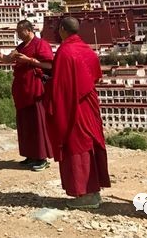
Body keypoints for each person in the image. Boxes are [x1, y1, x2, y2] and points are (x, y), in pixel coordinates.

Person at [45, 17, 110, 209]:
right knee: (89, 144)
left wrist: (48, 88)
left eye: (58, 29)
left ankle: (86, 194)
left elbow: (61, 86)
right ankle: (94, 190)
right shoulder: (86, 49)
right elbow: (95, 76)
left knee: (76, 146)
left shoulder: (65, 51)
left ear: (63, 30)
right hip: (88, 104)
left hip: (73, 107)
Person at [0, 20, 54, 171]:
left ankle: (41, 157)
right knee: (25, 124)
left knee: (37, 123)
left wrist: (29, 60)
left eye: (20, 31)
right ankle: (30, 154)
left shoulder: (40, 44)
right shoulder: (21, 46)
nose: (18, 34)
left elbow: (49, 65)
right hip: (22, 90)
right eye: (17, 32)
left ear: (28, 30)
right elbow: (7, 59)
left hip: (35, 89)